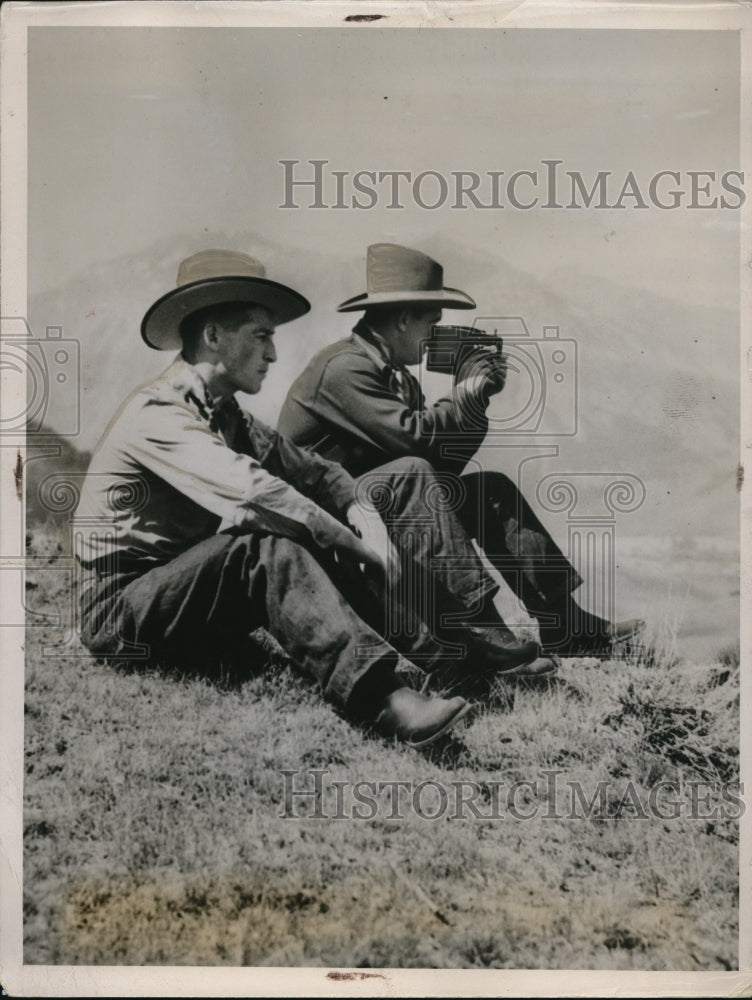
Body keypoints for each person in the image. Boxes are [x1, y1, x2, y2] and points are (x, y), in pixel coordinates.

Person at [74, 249, 552, 753]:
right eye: (261, 335)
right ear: (213, 336)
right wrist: (360, 545)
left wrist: (362, 514)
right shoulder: (159, 413)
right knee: (269, 544)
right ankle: (382, 699)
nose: (273, 355)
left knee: (313, 528)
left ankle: (451, 661)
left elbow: (311, 471)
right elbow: (261, 494)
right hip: (120, 612)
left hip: (180, 596)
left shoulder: (226, 415)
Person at [278, 243, 644, 656]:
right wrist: (464, 396)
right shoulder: (343, 368)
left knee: (491, 490)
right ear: (402, 320)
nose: (435, 335)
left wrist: (475, 399)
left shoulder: (399, 380)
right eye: (432, 323)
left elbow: (440, 471)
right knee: (412, 472)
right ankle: (484, 630)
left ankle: (565, 623)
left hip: (376, 517)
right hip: (327, 534)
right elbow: (415, 447)